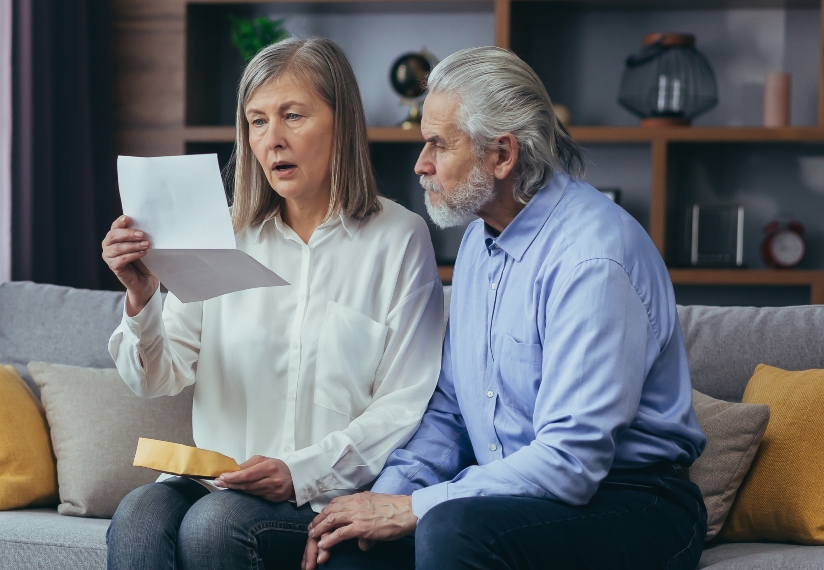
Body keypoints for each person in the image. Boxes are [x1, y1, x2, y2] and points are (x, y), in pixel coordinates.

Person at [303, 46, 708, 570]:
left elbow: (571, 463)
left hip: (634, 502)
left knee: (451, 530)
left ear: (502, 155)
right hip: (517, 495)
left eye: (437, 145)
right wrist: (381, 502)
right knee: (349, 550)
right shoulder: (478, 242)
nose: (420, 165)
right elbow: (448, 411)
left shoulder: (592, 258)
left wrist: (415, 507)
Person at [102, 36, 446, 570]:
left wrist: (298, 471)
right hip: (217, 483)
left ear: (342, 123)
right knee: (138, 517)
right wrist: (142, 296)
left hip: (316, 497)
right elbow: (156, 378)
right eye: (257, 122)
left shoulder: (400, 238)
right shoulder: (224, 235)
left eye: (292, 116)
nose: (273, 140)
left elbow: (404, 404)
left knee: (215, 528)